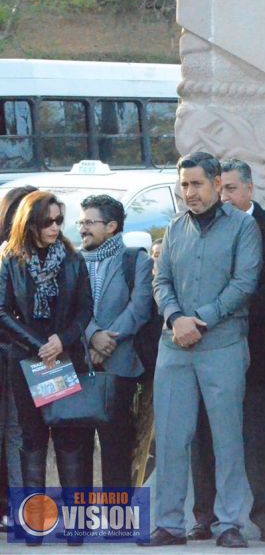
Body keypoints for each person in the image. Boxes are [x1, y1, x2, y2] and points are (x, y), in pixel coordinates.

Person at [145, 152, 262, 548]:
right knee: (172, 439)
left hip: (222, 345)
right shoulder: (175, 228)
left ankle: (229, 523)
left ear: (216, 183)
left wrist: (201, 319)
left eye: (196, 184)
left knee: (227, 438)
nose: (189, 192)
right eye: (184, 185)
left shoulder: (244, 227)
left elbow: (244, 283)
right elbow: (160, 282)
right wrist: (177, 317)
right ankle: (169, 524)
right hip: (174, 346)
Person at [188, 158, 265, 542]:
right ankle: (204, 516)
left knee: (259, 440)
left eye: (230, 189)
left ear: (249, 190)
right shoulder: (197, 229)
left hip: (257, 353)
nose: (223, 196)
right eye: (219, 188)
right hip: (207, 351)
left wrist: (225, 311)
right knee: (205, 438)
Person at [0, 191, 93, 545]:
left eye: (58, 220)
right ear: (31, 223)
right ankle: (35, 524)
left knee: (69, 435)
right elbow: (2, 310)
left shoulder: (71, 257)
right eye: (47, 222)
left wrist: (61, 341)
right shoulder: (10, 257)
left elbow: (85, 308)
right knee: (32, 438)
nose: (55, 228)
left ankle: (75, 526)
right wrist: (38, 344)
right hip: (27, 360)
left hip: (64, 356)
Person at [77, 195, 154, 487]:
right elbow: (69, 308)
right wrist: (92, 336)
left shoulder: (135, 260)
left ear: (111, 226)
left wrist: (107, 341)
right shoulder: (72, 262)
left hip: (119, 365)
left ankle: (116, 519)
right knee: (77, 446)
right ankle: (80, 519)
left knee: (116, 446)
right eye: (81, 222)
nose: (82, 228)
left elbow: (139, 309)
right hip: (78, 364)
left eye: (89, 222)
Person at [0, 185, 36, 533]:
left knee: (18, 432)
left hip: (23, 353)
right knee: (15, 432)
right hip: (16, 352)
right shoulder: (9, 257)